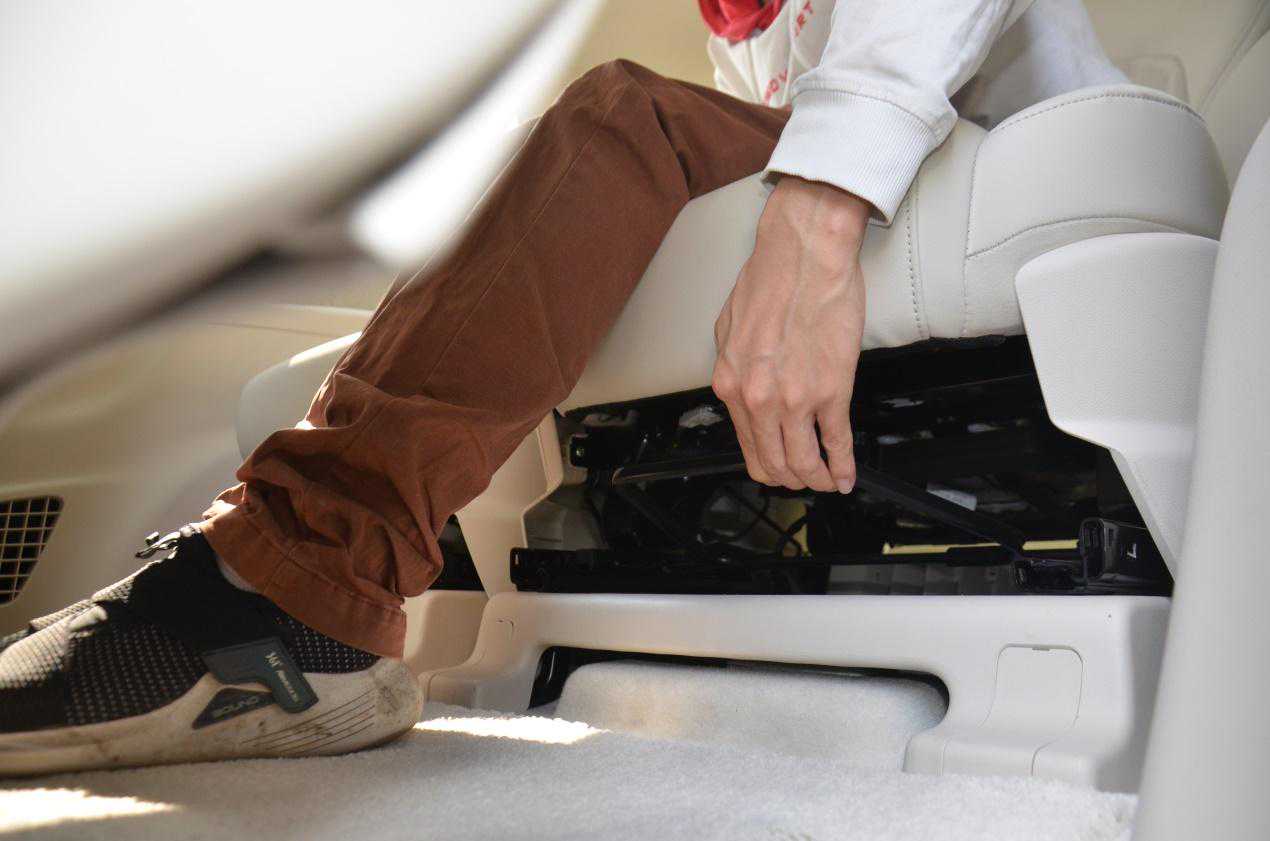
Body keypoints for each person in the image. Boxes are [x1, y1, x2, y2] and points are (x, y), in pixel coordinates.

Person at [0, 0, 1124, 774]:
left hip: (1010, 140)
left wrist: (820, 215)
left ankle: (297, 583)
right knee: (537, 165)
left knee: (618, 121)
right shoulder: (748, 22)